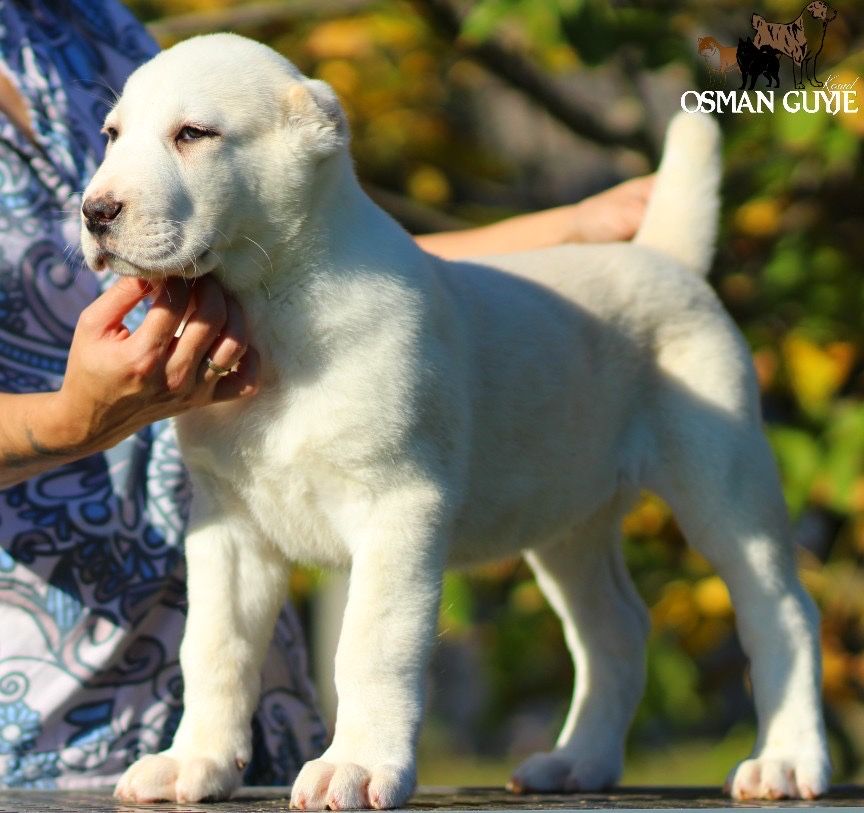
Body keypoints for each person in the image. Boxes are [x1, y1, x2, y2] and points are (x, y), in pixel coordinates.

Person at [0, 0, 651, 789]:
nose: (103, 189)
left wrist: (572, 228)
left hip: (273, 738)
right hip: (39, 729)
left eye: (187, 135)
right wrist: (69, 422)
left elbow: (344, 247)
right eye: (114, 138)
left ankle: (218, 731)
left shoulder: (89, 22)